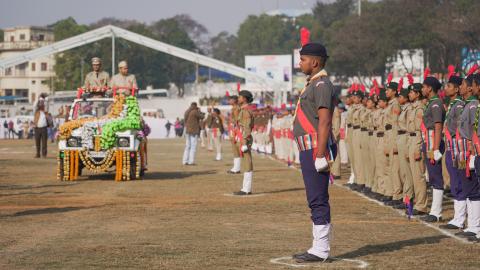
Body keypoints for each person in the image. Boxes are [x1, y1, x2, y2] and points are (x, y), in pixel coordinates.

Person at [291, 43, 337, 263]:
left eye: (303, 59)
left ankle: (321, 248)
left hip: (315, 147)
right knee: (314, 197)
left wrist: (320, 154)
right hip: (308, 147)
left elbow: (325, 121)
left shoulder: (321, 85)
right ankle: (318, 245)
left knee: (318, 198)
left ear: (315, 62)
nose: (300, 63)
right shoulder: (313, 84)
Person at [439, 74, 466, 228]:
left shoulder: (459, 105)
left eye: (449, 86)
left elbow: (460, 128)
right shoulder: (452, 104)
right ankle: (457, 217)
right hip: (450, 146)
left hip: (457, 147)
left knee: (458, 181)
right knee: (454, 180)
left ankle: (460, 218)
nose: (446, 88)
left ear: (456, 89)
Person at [420, 76, 446, 223]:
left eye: (424, 86)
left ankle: (436, 212)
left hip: (433, 142)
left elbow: (437, 126)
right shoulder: (431, 103)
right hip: (428, 141)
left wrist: (435, 148)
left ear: (430, 88)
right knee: (432, 175)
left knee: (436, 176)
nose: (422, 89)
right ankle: (434, 210)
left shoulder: (436, 104)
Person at [406, 83, 429, 215]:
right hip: (410, 140)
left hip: (417, 140)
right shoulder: (412, 107)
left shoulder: (420, 108)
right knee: (412, 175)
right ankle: (416, 202)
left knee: (418, 176)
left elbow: (421, 129)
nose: (409, 94)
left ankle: (421, 205)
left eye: (412, 92)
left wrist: (419, 148)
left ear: (418, 94)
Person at [233, 90, 254, 196]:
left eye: (240, 97)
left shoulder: (246, 111)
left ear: (245, 98)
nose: (238, 98)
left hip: (245, 138)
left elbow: (247, 127)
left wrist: (244, 141)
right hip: (242, 137)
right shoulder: (243, 110)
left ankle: (246, 188)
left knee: (247, 162)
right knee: (246, 162)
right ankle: (245, 188)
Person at [396, 87, 414, 210]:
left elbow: (409, 128)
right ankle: (405, 197)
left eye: (401, 97)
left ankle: (408, 198)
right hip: (401, 138)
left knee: (407, 172)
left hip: (406, 138)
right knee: (403, 171)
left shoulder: (410, 109)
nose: (399, 99)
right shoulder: (404, 109)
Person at [227, 95, 242, 174]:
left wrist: (234, 132)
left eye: (230, 100)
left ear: (234, 100)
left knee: (237, 149)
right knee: (235, 150)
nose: (229, 101)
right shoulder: (233, 108)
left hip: (236, 130)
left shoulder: (236, 109)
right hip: (233, 129)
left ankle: (237, 168)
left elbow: (236, 121)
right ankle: (236, 167)